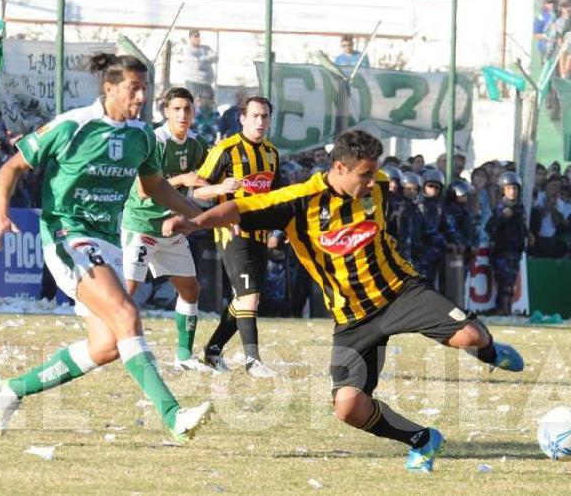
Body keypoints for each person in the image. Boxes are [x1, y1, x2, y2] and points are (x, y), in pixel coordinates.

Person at [163, 129, 525, 473]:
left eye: (374, 174)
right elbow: (238, 210)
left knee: (471, 338)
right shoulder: (298, 200)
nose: (374, 182)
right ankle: (422, 439)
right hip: (353, 318)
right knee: (348, 407)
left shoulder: (379, 185)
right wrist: (195, 222)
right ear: (339, 168)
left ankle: (491, 353)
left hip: (400, 291)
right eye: (365, 175)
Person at [0, 53, 213, 441]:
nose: (140, 97)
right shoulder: (74, 125)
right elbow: (12, 167)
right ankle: (175, 417)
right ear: (109, 88)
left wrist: (195, 214)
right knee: (127, 315)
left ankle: (11, 390)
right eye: (133, 89)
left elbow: (153, 186)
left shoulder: (141, 136)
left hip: (107, 239)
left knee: (106, 345)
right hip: (66, 234)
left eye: (145, 89)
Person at [120, 87, 234, 372]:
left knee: (191, 290)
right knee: (126, 293)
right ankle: (106, 343)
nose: (183, 115)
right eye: (177, 109)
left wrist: (223, 192)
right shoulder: (155, 141)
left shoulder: (197, 144)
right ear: (166, 112)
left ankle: (183, 356)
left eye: (188, 109)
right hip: (143, 224)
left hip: (172, 229)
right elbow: (145, 192)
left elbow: (204, 182)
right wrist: (184, 178)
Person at [192, 96, 282, 378]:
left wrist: (278, 229)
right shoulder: (225, 149)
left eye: (265, 116)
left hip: (260, 233)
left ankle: (213, 350)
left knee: (245, 297)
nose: (260, 121)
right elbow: (197, 190)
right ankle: (252, 360)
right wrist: (220, 186)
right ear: (242, 118)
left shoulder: (271, 153)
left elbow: (276, 197)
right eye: (254, 116)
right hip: (232, 232)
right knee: (250, 294)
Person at [485, 172, 530, 315]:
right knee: (504, 282)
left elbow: (521, 226)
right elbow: (490, 227)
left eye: (515, 188)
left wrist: (528, 234)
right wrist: (501, 218)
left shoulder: (519, 207)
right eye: (509, 188)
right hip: (502, 250)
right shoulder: (500, 207)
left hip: (515, 250)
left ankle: (507, 309)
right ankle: (502, 308)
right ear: (503, 190)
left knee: (511, 282)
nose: (512, 191)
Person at [185, 29, 218, 102]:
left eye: (198, 36)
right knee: (195, 105)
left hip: (207, 83)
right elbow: (197, 65)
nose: (198, 38)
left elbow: (215, 58)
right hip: (194, 83)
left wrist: (202, 60)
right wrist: (208, 61)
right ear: (190, 38)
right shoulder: (188, 50)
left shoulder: (206, 48)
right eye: (195, 36)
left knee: (209, 104)